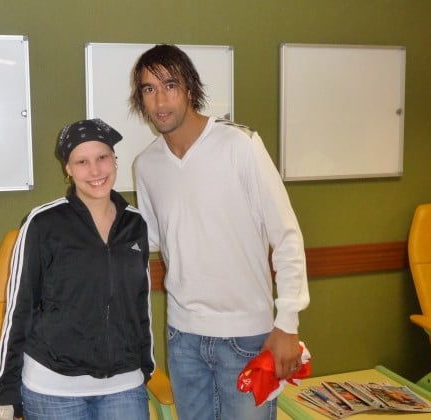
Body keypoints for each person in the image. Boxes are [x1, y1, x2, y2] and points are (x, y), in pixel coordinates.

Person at [130, 44, 310, 420]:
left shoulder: (240, 145)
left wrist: (287, 323)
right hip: (183, 337)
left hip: (247, 335)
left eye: (170, 85)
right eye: (149, 89)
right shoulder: (146, 165)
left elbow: (287, 235)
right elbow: (154, 238)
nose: (160, 100)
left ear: (190, 89)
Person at [0, 118, 154, 420]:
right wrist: (7, 389)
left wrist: (145, 365)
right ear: (68, 168)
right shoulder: (42, 224)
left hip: (124, 385)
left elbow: (140, 303)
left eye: (102, 158)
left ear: (114, 160)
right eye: (82, 161)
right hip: (53, 389)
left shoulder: (135, 224)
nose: (95, 171)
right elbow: (19, 308)